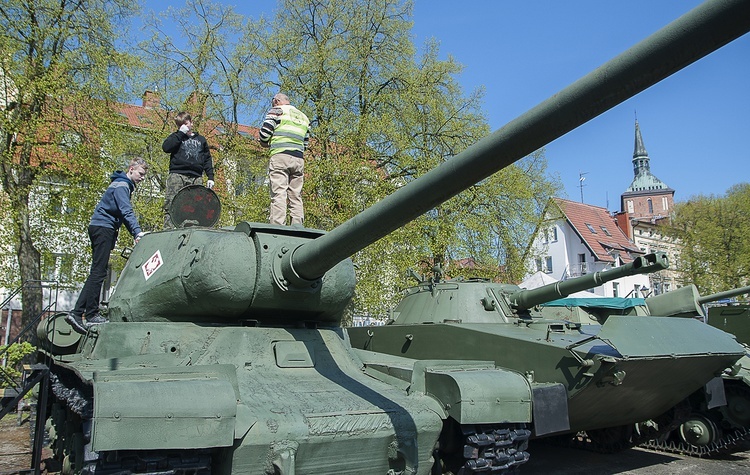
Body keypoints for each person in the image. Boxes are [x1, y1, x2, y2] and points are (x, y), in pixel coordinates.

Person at [66, 158, 148, 334]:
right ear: (131, 169)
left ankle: (77, 312)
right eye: (141, 174)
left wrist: (134, 233)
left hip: (101, 227)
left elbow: (121, 212)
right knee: (98, 272)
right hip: (104, 228)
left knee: (97, 271)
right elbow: (126, 210)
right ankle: (91, 314)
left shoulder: (120, 184)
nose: (142, 178)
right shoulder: (122, 186)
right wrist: (137, 232)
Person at [258, 93, 310, 225]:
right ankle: (297, 226)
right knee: (295, 195)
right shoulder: (304, 117)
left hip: (280, 156)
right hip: (298, 159)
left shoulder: (277, 111)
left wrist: (265, 142)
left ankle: (277, 226)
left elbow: (264, 134)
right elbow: (305, 144)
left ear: (276, 101)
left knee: (279, 193)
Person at [161, 111, 215, 228]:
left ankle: (193, 230)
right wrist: (180, 133)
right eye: (181, 125)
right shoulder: (176, 137)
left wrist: (210, 177)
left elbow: (207, 159)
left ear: (191, 123)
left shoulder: (201, 140)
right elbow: (166, 147)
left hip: (196, 177)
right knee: (172, 204)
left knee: (196, 206)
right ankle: (169, 230)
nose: (184, 126)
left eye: (186, 123)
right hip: (177, 175)